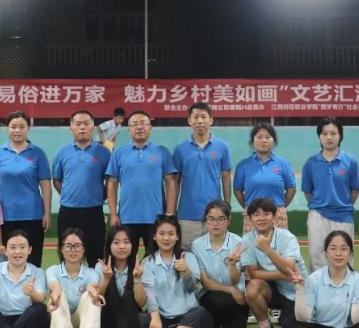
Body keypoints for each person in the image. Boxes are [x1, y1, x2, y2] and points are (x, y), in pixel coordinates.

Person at [138, 215, 213, 328]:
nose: (166, 238)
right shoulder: (148, 262)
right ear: (154, 236)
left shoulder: (188, 257)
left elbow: (193, 289)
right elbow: (150, 294)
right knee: (141, 320)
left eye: (171, 234)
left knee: (201, 313)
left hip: (187, 317)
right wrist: (155, 317)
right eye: (162, 233)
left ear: (177, 236)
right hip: (162, 319)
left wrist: (187, 272)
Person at [105, 110, 177, 255]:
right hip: (126, 217)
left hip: (156, 218)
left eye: (143, 123)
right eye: (134, 124)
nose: (139, 127)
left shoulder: (162, 151)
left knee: (155, 259)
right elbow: (112, 184)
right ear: (129, 129)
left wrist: (169, 212)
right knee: (126, 259)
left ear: (150, 127)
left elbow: (170, 183)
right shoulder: (119, 153)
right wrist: (113, 214)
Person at [0, 111, 52, 267]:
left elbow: (45, 185)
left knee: (33, 260)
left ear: (28, 129)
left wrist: (47, 213)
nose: (17, 130)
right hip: (5, 216)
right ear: (7, 129)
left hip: (33, 215)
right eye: (13, 127)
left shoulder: (38, 153)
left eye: (22, 127)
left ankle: (33, 284)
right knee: (6, 261)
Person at [242, 198, 306, 328]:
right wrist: (283, 275)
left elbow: (289, 267)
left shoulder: (287, 237)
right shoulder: (247, 239)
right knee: (252, 287)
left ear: (274, 216)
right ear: (250, 218)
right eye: (256, 215)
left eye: (266, 214)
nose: (261, 218)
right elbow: (253, 274)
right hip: (276, 289)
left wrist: (267, 249)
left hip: (298, 293)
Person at [302, 117, 359, 270]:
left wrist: (342, 205)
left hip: (344, 216)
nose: (329, 137)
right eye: (324, 133)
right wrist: (320, 206)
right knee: (316, 255)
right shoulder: (311, 163)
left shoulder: (350, 161)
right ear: (319, 136)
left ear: (340, 135)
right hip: (317, 215)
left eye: (333, 133)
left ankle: (346, 284)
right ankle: (318, 285)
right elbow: (307, 192)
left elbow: (355, 190)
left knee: (343, 254)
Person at [53, 110, 111, 265]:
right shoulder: (62, 152)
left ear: (93, 126)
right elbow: (57, 180)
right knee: (68, 255)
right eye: (78, 124)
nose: (82, 127)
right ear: (71, 127)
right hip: (68, 212)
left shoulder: (104, 153)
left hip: (94, 212)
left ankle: (96, 282)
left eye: (86, 123)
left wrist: (100, 195)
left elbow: (110, 181)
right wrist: (70, 195)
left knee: (96, 256)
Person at [173, 102, 232, 246]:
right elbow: (175, 182)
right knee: (186, 256)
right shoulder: (180, 149)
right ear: (189, 121)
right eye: (196, 117)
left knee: (214, 254)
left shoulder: (223, 147)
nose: (199, 121)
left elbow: (226, 178)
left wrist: (227, 206)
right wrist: (173, 211)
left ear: (211, 120)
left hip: (214, 215)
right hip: (187, 215)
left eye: (203, 117)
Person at [191, 200, 248, 328]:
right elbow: (206, 283)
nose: (216, 223)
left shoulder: (239, 243)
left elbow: (235, 281)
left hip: (237, 300)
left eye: (221, 219)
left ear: (228, 220)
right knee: (221, 300)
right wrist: (231, 290)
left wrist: (232, 265)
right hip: (212, 297)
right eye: (211, 218)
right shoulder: (197, 245)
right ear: (206, 220)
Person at [46, 228, 103, 328]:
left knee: (89, 297)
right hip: (61, 319)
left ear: (84, 249)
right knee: (60, 296)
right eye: (68, 246)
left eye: (77, 246)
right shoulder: (52, 270)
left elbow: (91, 287)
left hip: (81, 321)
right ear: (61, 249)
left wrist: (96, 296)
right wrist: (54, 298)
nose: (73, 250)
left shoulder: (91, 273)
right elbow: (55, 287)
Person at [95, 225, 147, 328]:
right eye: (116, 242)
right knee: (110, 293)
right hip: (108, 321)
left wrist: (137, 279)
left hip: (132, 320)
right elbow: (97, 299)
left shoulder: (138, 267)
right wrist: (106, 279)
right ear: (109, 245)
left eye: (126, 242)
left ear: (132, 245)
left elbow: (141, 303)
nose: (122, 247)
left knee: (129, 297)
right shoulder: (101, 266)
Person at [233, 123, 296, 233]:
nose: (264, 140)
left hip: (277, 214)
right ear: (252, 141)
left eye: (268, 137)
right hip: (252, 215)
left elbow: (291, 189)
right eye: (259, 137)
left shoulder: (283, 164)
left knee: (279, 244)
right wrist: (250, 208)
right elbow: (237, 191)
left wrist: (279, 207)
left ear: (273, 140)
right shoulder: (243, 165)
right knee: (251, 244)